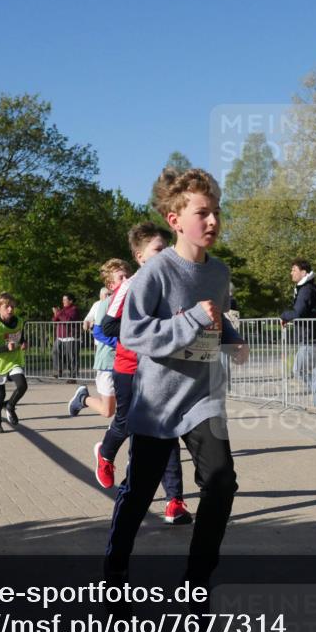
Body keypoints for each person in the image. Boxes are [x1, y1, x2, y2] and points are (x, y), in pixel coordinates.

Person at [106, 166, 248, 586]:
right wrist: (190, 320)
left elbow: (216, 318)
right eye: (202, 213)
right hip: (159, 401)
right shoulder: (155, 272)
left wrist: (233, 339)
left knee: (221, 483)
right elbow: (132, 333)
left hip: (203, 398)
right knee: (139, 493)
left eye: (217, 212)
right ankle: (114, 574)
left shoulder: (219, 272)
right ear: (175, 220)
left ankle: (197, 582)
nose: (213, 221)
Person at [84, 226, 193, 525]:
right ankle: (106, 453)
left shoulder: (175, 283)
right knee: (125, 423)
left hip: (163, 369)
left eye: (167, 248)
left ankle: (174, 501)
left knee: (168, 431)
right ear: (140, 256)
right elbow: (107, 327)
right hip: (130, 369)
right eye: (158, 249)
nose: (165, 254)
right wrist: (149, 331)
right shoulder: (129, 286)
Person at [68, 260, 129, 420]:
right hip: (108, 361)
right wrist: (121, 344)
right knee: (108, 411)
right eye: (121, 278)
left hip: (127, 363)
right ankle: (83, 398)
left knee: (129, 405)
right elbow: (98, 332)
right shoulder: (105, 304)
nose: (126, 281)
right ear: (111, 285)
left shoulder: (133, 302)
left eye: (127, 277)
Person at [280, 259, 316, 410]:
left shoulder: (306, 289)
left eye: (294, 270)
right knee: (315, 371)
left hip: (310, 337)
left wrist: (283, 315)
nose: (291, 273)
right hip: (313, 336)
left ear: (303, 272)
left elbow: (298, 313)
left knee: (299, 370)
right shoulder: (308, 288)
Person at [0, 292, 28, 434]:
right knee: (0, 395)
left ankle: (10, 406)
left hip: (14, 361)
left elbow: (21, 337)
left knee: (22, 385)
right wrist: (5, 347)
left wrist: (24, 342)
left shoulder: (19, 321)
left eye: (12, 307)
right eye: (7, 307)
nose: (10, 309)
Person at [51, 294, 80, 380]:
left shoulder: (74, 309)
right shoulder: (62, 310)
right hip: (60, 337)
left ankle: (73, 376)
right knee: (55, 352)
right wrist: (56, 314)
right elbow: (54, 320)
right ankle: (57, 371)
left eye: (65, 300)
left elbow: (68, 320)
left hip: (70, 337)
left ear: (70, 301)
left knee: (71, 357)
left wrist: (58, 313)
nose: (63, 301)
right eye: (63, 299)